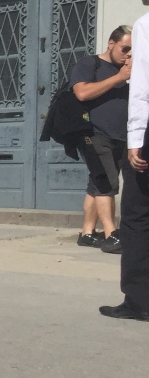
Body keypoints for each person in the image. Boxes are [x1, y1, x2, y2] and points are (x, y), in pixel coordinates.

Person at [102, 0, 149, 321]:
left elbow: (143, 87)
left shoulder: (146, 25)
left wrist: (135, 139)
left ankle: (139, 300)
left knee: (136, 214)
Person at [72, 26, 132, 251]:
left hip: (120, 135)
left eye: (132, 51)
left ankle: (87, 233)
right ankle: (112, 235)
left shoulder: (129, 69)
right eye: (125, 48)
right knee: (107, 182)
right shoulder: (90, 64)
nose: (128, 54)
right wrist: (119, 77)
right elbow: (82, 92)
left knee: (97, 182)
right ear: (111, 43)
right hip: (94, 133)